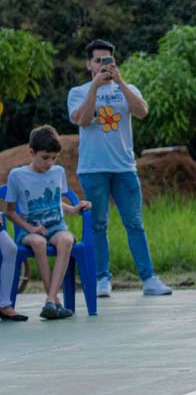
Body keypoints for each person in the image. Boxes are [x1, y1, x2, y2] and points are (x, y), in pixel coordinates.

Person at [67, 39, 172, 297]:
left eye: (108, 60)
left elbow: (142, 111)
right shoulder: (78, 92)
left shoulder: (129, 88)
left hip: (124, 167)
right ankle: (102, 278)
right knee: (98, 224)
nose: (103, 65)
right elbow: (82, 119)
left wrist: (120, 82)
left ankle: (149, 278)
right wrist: (95, 87)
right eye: (98, 60)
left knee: (135, 223)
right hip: (92, 168)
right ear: (88, 64)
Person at [3, 126, 92, 319]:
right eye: (45, 157)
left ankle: (50, 300)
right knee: (38, 242)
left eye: (54, 157)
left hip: (56, 227)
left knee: (67, 240)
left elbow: (56, 202)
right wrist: (31, 228)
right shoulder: (17, 176)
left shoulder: (57, 172)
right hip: (30, 231)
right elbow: (9, 212)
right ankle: (54, 302)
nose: (50, 163)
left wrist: (73, 209)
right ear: (31, 152)